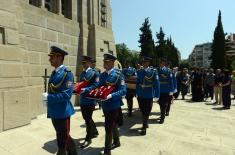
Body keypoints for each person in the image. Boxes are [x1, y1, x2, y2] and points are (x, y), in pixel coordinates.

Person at [82, 53, 126, 155]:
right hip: (105, 105)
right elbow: (97, 85)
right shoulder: (103, 75)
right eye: (104, 62)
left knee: (108, 126)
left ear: (112, 62)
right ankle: (117, 141)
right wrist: (86, 89)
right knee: (112, 124)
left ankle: (107, 150)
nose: (104, 64)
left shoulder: (119, 74)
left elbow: (123, 91)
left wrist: (111, 96)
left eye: (106, 62)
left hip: (114, 105)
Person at [42, 46, 78, 155]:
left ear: (59, 57)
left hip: (62, 113)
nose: (50, 59)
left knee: (62, 143)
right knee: (64, 136)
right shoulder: (54, 73)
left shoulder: (67, 74)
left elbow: (67, 95)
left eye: (52, 57)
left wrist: (49, 97)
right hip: (54, 112)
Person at [79, 56, 100, 148]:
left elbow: (96, 85)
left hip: (90, 99)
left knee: (87, 119)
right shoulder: (82, 73)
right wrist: (77, 89)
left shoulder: (94, 73)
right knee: (86, 118)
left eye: (84, 63)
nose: (83, 65)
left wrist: (86, 89)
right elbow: (80, 84)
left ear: (89, 63)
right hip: (82, 99)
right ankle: (95, 131)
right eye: (82, 63)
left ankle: (88, 138)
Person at [136, 56, 160, 135]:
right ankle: (145, 122)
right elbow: (137, 82)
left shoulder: (153, 71)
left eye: (146, 62)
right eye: (143, 62)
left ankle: (144, 127)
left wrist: (157, 95)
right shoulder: (139, 71)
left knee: (147, 110)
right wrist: (136, 92)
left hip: (149, 93)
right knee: (142, 110)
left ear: (148, 63)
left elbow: (156, 83)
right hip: (140, 94)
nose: (144, 64)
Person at [158, 58, 174, 123]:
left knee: (163, 104)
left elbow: (171, 80)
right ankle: (162, 113)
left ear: (164, 63)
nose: (162, 63)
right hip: (159, 89)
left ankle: (162, 117)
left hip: (165, 89)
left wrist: (171, 90)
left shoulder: (168, 70)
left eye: (163, 62)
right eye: (161, 62)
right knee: (160, 103)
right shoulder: (157, 70)